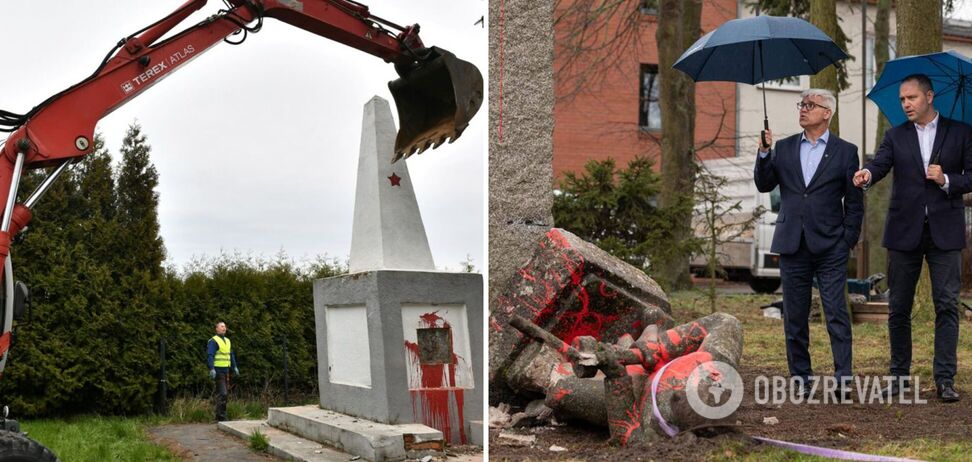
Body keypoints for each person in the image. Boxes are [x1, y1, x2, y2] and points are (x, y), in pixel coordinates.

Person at [854, 74, 972, 403]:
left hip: (944, 232)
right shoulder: (896, 136)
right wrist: (867, 175)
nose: (906, 104)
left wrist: (946, 178)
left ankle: (945, 379)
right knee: (899, 307)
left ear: (929, 97)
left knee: (947, 306)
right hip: (904, 232)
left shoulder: (960, 133)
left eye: (912, 98)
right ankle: (898, 376)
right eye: (903, 99)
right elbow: (880, 165)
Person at [754, 88, 863, 399]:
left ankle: (843, 379)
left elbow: (854, 203)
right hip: (792, 244)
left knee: (836, 313)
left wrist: (847, 240)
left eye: (810, 105)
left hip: (831, 246)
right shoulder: (785, 148)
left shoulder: (846, 151)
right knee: (795, 317)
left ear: (827, 113)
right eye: (801, 104)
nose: (803, 109)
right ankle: (801, 379)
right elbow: (764, 184)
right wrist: (764, 153)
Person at [207, 321, 240, 421]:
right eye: (221, 326)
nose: (224, 328)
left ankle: (219, 416)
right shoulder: (214, 341)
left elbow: (231, 355)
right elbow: (210, 356)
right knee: (223, 393)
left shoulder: (228, 341)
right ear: (216, 329)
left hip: (226, 371)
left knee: (223, 394)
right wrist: (212, 368)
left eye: (225, 326)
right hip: (218, 371)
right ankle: (222, 417)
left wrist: (234, 367)